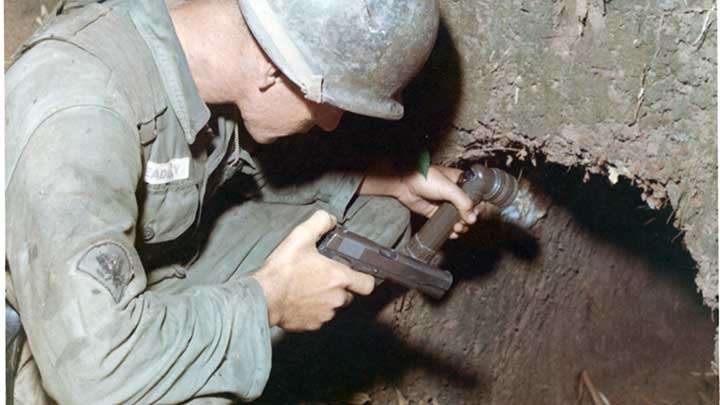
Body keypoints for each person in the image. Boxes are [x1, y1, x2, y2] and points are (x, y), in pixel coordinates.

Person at [5, 0, 482, 403]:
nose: (334, 121)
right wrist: (269, 303)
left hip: (157, 265)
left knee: (372, 219)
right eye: (332, 100)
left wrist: (391, 179)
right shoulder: (78, 115)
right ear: (273, 69)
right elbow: (93, 370)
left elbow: (240, 166)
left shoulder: (198, 48)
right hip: (54, 343)